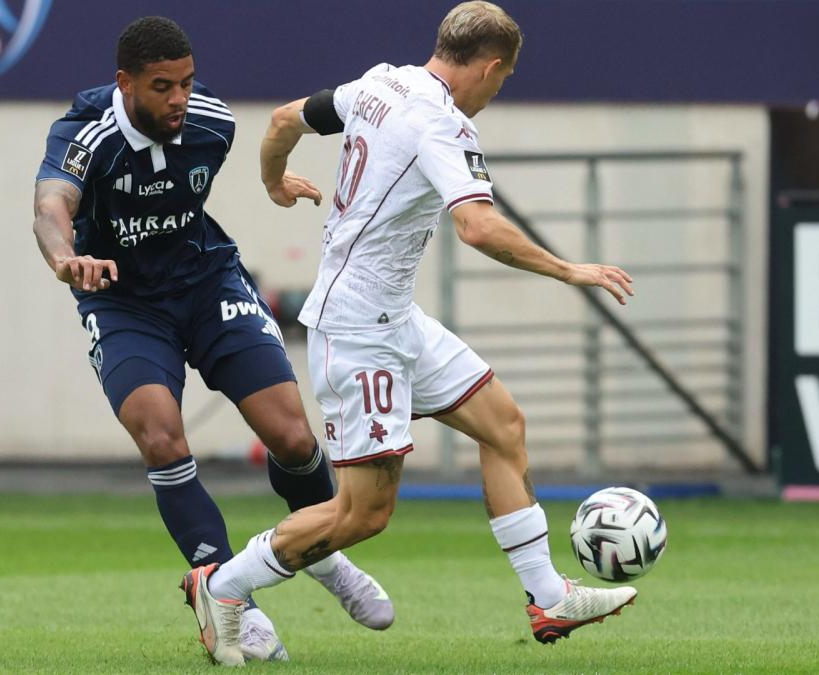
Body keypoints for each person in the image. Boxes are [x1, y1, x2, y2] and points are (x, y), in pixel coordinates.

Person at [180, 2, 640, 666]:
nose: (495, 93)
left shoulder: (379, 83)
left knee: (503, 425)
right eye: (501, 81)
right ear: (487, 68)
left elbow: (284, 120)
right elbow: (478, 226)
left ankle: (548, 596)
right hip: (358, 334)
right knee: (361, 515)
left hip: (396, 321)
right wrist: (568, 268)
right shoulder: (443, 124)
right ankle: (220, 587)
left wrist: (273, 179)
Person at [31, 16, 393, 662]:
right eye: (162, 86)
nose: (178, 100)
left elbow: (266, 144)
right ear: (126, 83)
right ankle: (231, 596)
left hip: (207, 282)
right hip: (123, 302)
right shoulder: (86, 133)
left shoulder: (210, 123)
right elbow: (50, 206)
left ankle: (324, 555)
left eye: (186, 83)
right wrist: (64, 257)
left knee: (291, 433)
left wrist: (274, 183)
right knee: (161, 433)